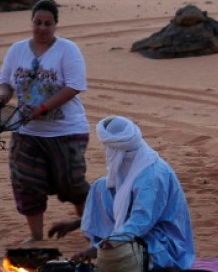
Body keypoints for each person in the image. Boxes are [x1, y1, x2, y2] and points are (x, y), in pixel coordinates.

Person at [0, 0, 91, 244]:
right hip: (26, 130)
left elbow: (75, 86)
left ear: (56, 25)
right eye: (38, 22)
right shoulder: (17, 50)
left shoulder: (68, 50)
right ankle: (36, 235)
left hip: (66, 130)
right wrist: (3, 95)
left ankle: (93, 231)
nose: (42, 28)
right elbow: (5, 81)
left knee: (72, 184)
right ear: (32, 23)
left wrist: (43, 108)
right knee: (26, 182)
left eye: (48, 23)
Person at [48, 116, 195, 271]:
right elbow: (121, 204)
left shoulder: (151, 176)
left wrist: (97, 249)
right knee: (101, 187)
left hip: (164, 244)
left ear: (115, 148)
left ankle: (113, 250)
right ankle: (111, 248)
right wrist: (76, 223)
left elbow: (140, 222)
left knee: (122, 258)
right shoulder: (131, 166)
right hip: (139, 233)